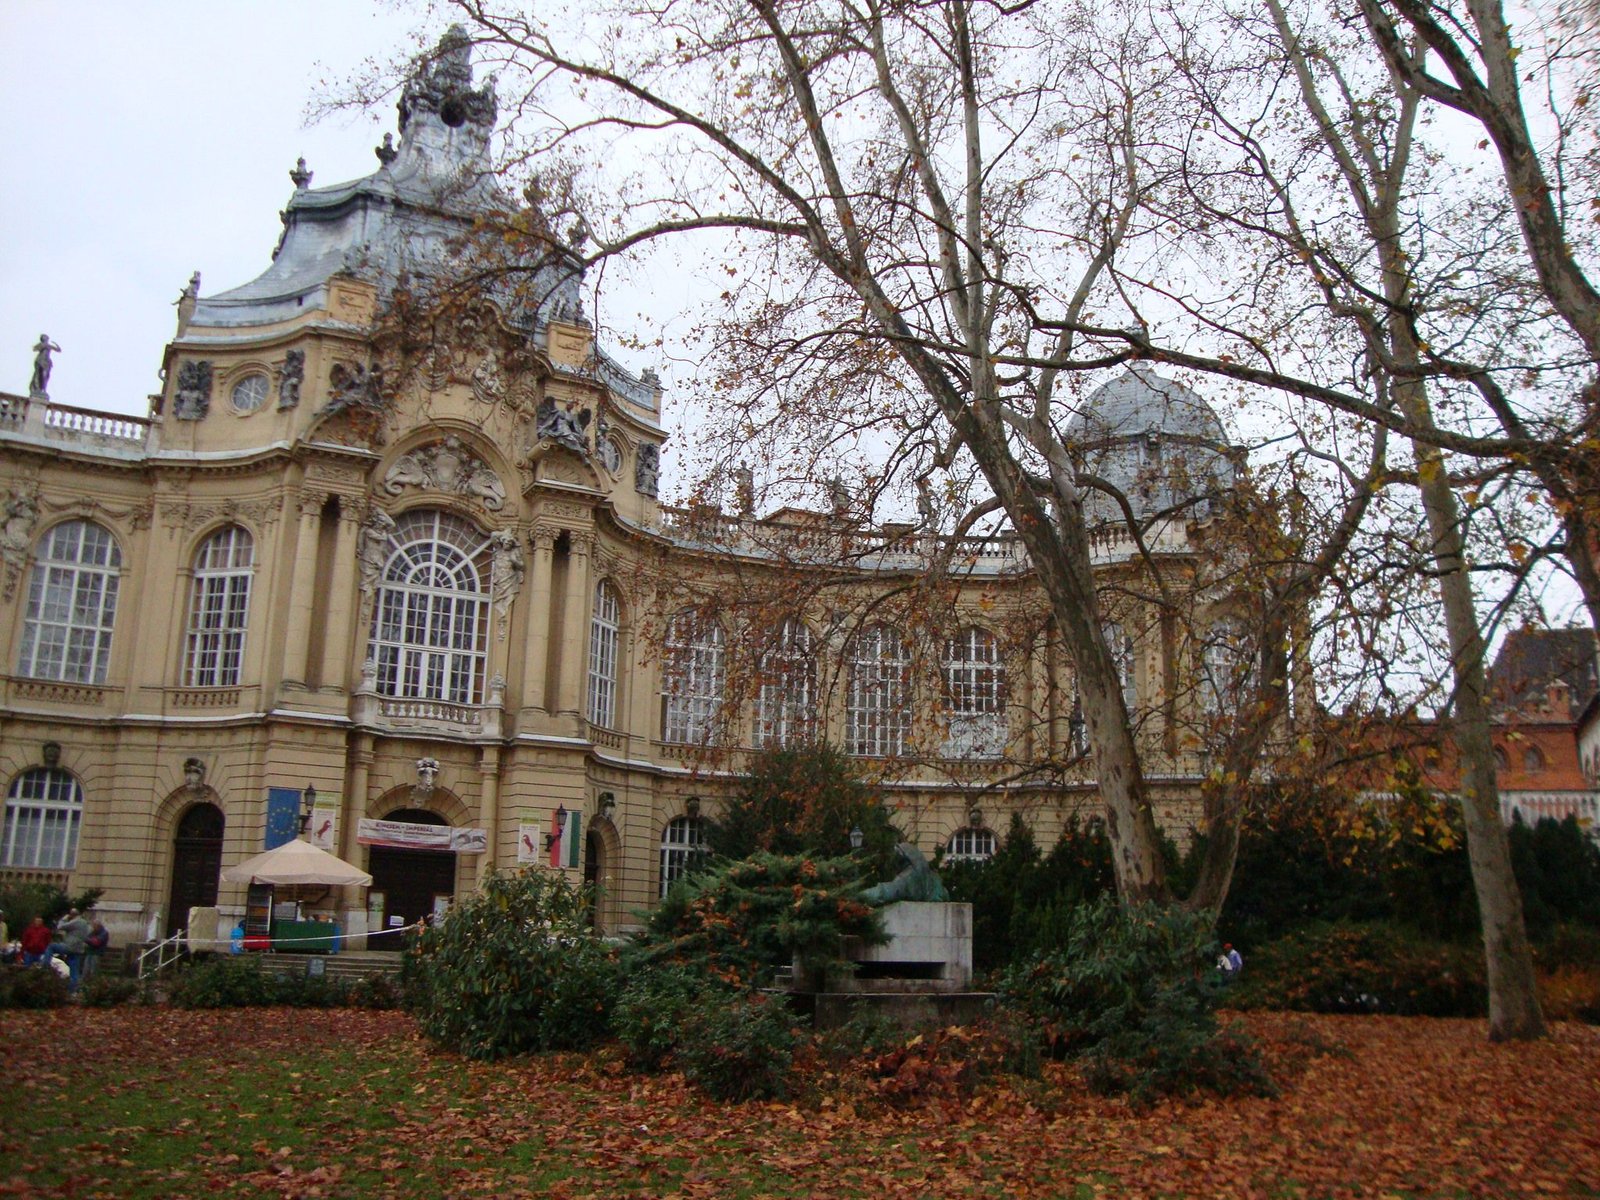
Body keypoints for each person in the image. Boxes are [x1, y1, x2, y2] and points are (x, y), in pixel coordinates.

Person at [43, 907, 91, 992]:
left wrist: (64, 919)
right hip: (79, 949)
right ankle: (72, 991)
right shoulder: (86, 924)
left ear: (72, 915)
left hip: (69, 946)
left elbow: (60, 927)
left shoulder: (76, 921)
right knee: (74, 971)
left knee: (51, 946)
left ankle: (45, 965)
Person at [82, 917, 110, 981]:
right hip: (90, 952)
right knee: (86, 968)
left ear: (98, 926)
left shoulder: (104, 933)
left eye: (94, 926)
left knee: (93, 969)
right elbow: (87, 938)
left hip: (97, 952)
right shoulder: (93, 932)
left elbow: (96, 942)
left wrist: (88, 940)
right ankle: (85, 980)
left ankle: (93, 981)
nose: (93, 927)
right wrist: (89, 940)